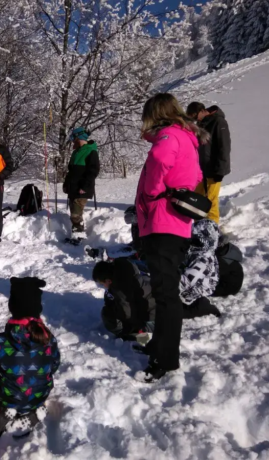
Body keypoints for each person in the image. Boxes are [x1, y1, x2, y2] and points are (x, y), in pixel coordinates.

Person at [136, 93, 207, 382]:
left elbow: (160, 159)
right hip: (174, 225)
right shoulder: (186, 138)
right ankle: (158, 346)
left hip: (163, 222)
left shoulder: (169, 137)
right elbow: (197, 174)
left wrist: (152, 192)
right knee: (163, 289)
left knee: (166, 294)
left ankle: (164, 359)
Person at [0, 277, 60, 440]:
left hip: (7, 398)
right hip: (38, 396)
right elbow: (54, 365)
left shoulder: (3, 342)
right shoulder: (48, 339)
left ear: (12, 308)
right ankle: (33, 411)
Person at [93, 258, 221, 342]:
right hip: (159, 301)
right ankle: (200, 306)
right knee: (175, 312)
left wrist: (114, 310)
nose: (103, 286)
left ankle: (140, 337)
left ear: (108, 280)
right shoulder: (127, 270)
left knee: (111, 317)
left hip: (153, 317)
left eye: (102, 283)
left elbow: (126, 314)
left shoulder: (119, 289)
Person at [186, 102, 231, 224]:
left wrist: (220, 170)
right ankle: (198, 225)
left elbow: (224, 147)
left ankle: (212, 229)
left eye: (194, 116)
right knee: (197, 197)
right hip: (201, 169)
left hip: (214, 169)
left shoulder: (219, 122)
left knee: (211, 200)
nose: (194, 120)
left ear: (202, 111)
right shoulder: (202, 123)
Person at [62, 127, 100, 237]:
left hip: (82, 188)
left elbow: (93, 171)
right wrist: (66, 184)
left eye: (74, 138)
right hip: (73, 187)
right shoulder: (76, 152)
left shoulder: (91, 151)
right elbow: (71, 171)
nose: (73, 141)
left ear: (79, 138)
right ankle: (77, 232)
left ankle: (79, 235)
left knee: (75, 214)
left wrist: (85, 186)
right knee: (74, 211)